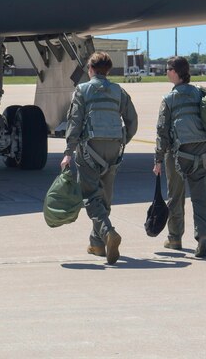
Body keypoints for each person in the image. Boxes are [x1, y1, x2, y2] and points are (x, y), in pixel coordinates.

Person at [61, 52, 138, 265]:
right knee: (104, 196)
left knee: (90, 196)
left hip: (89, 149)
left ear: (91, 70)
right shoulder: (119, 91)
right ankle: (97, 243)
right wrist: (123, 141)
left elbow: (74, 122)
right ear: (108, 71)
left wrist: (69, 152)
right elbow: (132, 120)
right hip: (114, 148)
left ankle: (108, 232)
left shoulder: (82, 90)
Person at [153, 56, 206, 258]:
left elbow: (162, 132)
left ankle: (175, 237)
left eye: (168, 69)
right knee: (201, 197)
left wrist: (158, 159)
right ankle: (203, 235)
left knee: (175, 196)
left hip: (178, 154)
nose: (166, 72)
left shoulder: (168, 99)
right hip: (202, 152)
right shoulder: (200, 93)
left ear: (176, 72)